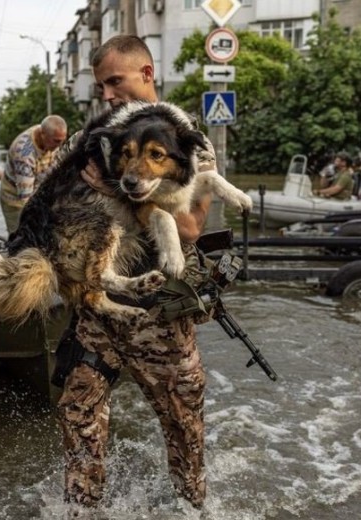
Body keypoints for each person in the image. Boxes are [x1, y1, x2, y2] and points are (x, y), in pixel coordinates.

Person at [52, 35, 217, 509]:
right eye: (102, 84)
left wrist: (116, 184)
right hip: (101, 311)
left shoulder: (184, 139)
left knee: (182, 427)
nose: (106, 93)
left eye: (114, 81)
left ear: (146, 74)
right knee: (77, 411)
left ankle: (192, 510)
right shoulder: (102, 137)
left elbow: (187, 228)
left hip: (158, 316)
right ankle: (82, 509)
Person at [0, 115, 69, 233]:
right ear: (42, 134)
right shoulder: (24, 154)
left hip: (37, 186)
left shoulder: (50, 135)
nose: (59, 146)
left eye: (62, 141)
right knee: (21, 237)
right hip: (16, 200)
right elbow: (25, 199)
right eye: (57, 141)